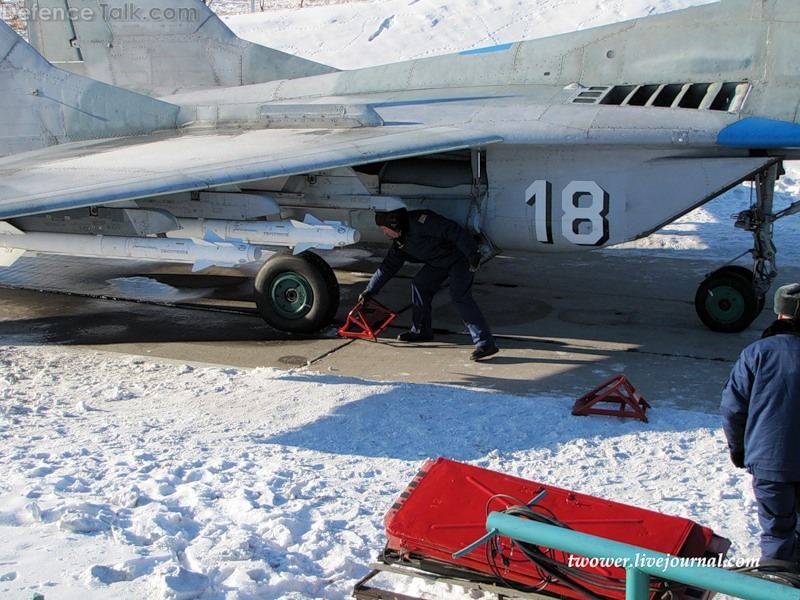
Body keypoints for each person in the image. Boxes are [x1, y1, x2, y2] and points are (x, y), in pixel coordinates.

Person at [721, 282, 800, 565]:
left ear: (779, 315)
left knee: (777, 532)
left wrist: (739, 449)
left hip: (770, 461)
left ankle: (779, 585)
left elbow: (733, 408)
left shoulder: (757, 353)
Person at [360, 208, 499, 361]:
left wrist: (472, 252)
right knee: (420, 284)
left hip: (460, 257)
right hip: (439, 262)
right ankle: (421, 331)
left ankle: (485, 343)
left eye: (384, 230)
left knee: (460, 296)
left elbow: (450, 229)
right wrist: (370, 290)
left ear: (393, 224)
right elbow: (387, 267)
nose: (384, 234)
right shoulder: (400, 243)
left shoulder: (420, 222)